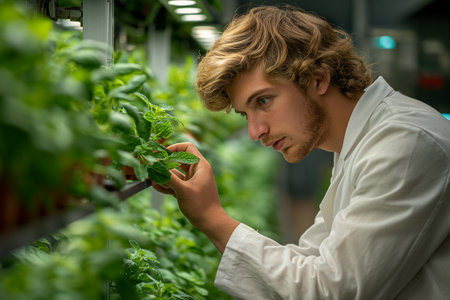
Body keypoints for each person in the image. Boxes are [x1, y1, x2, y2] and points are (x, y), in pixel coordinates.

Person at [152, 6, 450, 299]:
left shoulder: (405, 144)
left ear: (317, 79)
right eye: (245, 114)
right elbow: (313, 261)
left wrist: (210, 217)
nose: (256, 132)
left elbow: (329, 290)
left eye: (264, 101)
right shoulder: (361, 141)